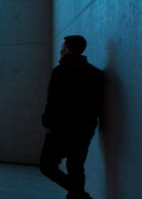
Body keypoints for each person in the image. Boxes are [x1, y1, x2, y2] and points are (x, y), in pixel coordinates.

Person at [39, 35, 103, 199]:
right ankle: (78, 195)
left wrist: (47, 124)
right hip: (85, 128)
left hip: (60, 128)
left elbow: (53, 101)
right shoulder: (95, 73)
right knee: (76, 166)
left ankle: (79, 195)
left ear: (67, 50)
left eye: (62, 47)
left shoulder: (60, 72)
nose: (60, 51)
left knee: (47, 165)